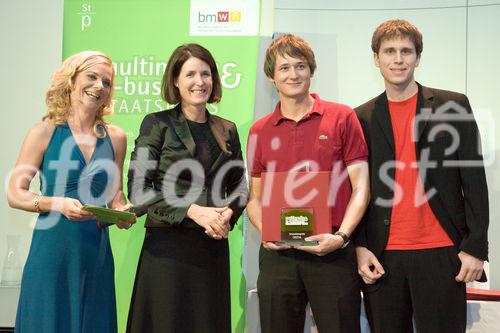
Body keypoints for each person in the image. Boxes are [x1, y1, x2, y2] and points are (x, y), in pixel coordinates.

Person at [354, 19, 489, 333]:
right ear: (376, 58)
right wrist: (359, 247)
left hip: (442, 252)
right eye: (389, 51)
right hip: (383, 255)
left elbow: (474, 180)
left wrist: (475, 247)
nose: (398, 59)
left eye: (406, 51)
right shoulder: (360, 117)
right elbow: (356, 190)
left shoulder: (452, 106)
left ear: (418, 57)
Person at [246, 34, 370, 333]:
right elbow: (255, 198)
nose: (293, 75)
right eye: (284, 68)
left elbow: (361, 187)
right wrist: (267, 231)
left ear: (311, 71)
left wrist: (341, 237)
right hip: (279, 257)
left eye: (300, 66)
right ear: (271, 77)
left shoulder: (342, 117)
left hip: (332, 253)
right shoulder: (259, 130)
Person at [7, 50, 134, 333]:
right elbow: (15, 193)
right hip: (51, 254)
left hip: (95, 257)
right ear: (72, 80)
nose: (99, 86)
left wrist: (123, 214)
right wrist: (57, 203)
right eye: (92, 77)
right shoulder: (44, 131)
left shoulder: (117, 138)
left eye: (107, 82)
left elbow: (116, 198)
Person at [126, 43, 247, 333]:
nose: (200, 82)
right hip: (168, 251)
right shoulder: (156, 124)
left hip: (211, 247)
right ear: (176, 80)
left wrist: (226, 215)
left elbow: (240, 186)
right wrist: (194, 211)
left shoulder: (227, 128)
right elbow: (139, 191)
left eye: (206, 74)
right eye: (190, 74)